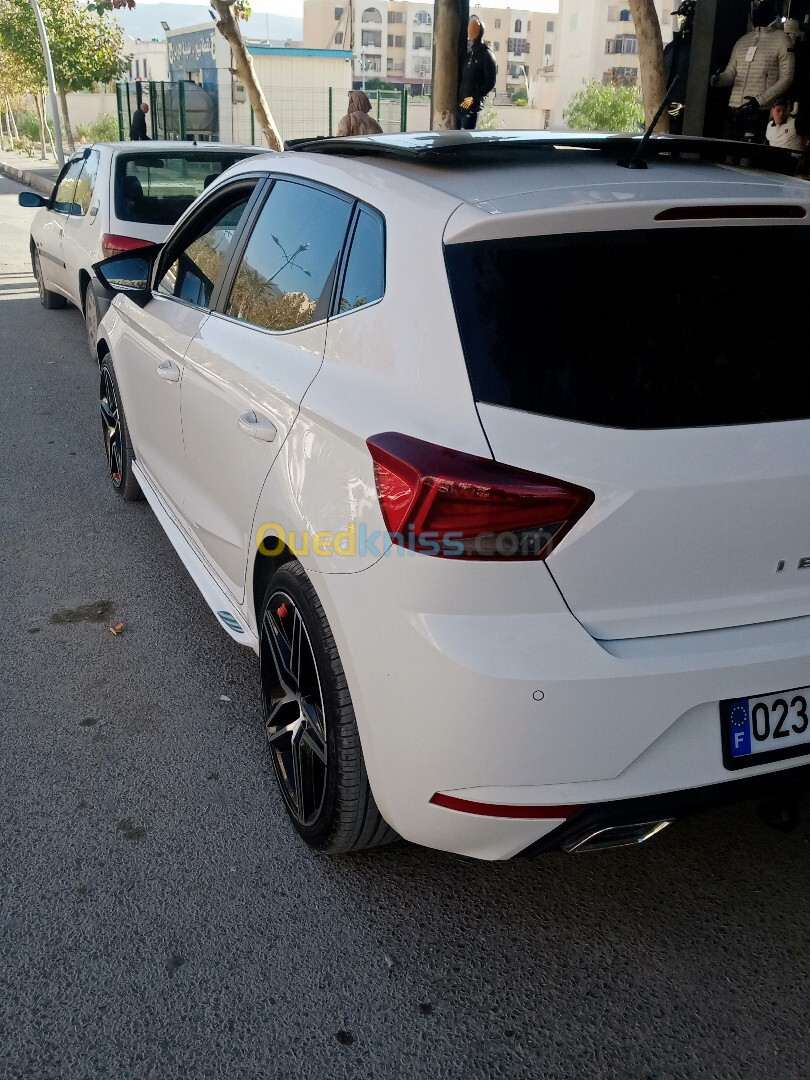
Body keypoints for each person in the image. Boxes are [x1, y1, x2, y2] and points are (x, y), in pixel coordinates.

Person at [710, 0, 794, 143]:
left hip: (759, 111)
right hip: (734, 107)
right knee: (727, 153)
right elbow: (731, 73)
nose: (757, 8)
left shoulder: (782, 40)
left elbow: (787, 78)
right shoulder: (743, 41)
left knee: (747, 158)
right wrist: (718, 79)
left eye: (761, 3)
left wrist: (760, 100)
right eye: (754, 4)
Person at [458, 15, 497, 130]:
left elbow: (490, 82)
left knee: (466, 140)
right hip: (460, 106)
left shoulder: (486, 55)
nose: (470, 32)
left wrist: (473, 98)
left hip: (472, 108)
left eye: (473, 29)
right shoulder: (469, 54)